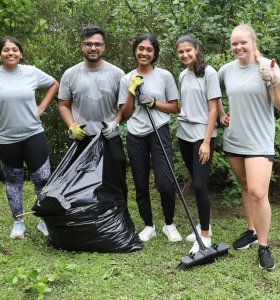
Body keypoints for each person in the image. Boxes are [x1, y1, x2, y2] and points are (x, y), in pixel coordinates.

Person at [0, 37, 59, 240]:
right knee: (14, 181)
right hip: (5, 138)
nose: (10, 53)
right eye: (6, 50)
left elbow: (54, 84)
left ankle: (43, 219)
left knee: (42, 179)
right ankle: (18, 222)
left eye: (14, 50)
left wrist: (42, 107)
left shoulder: (31, 71)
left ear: (20, 53)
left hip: (33, 133)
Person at [219, 24, 280, 270]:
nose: (238, 47)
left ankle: (264, 246)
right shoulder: (226, 70)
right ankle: (250, 230)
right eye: (234, 43)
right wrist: (220, 114)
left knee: (259, 192)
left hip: (259, 140)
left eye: (242, 43)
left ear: (253, 42)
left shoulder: (267, 66)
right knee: (246, 186)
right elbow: (213, 97)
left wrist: (275, 81)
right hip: (235, 139)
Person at [117, 34, 182, 243]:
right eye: (140, 48)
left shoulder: (164, 76)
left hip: (159, 131)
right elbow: (125, 114)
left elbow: (174, 107)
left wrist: (153, 102)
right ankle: (148, 225)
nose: (144, 53)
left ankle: (169, 224)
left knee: (165, 182)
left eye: (149, 50)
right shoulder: (126, 79)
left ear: (154, 54)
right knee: (140, 181)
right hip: (136, 134)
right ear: (135, 50)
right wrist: (131, 91)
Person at [58, 25, 128, 217]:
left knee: (115, 180)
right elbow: (63, 105)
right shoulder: (70, 74)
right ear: (82, 46)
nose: (93, 48)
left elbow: (124, 107)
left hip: (108, 135)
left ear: (104, 47)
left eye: (97, 44)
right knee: (80, 182)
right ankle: (86, 218)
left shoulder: (117, 74)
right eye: (88, 44)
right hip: (82, 138)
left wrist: (116, 123)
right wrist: (71, 126)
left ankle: (117, 217)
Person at [174, 35, 222, 254]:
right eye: (181, 52)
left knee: (201, 185)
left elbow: (213, 107)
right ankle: (206, 225)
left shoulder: (209, 73)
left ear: (197, 50)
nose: (185, 55)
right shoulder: (183, 75)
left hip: (202, 137)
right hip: (184, 134)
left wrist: (205, 142)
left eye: (188, 50)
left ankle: (204, 236)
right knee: (196, 181)